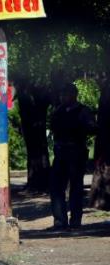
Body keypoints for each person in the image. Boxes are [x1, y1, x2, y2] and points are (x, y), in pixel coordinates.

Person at [49, 83, 97, 230]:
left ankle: (75, 220)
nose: (63, 97)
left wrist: (82, 127)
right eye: (61, 94)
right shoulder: (58, 111)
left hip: (76, 152)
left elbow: (92, 128)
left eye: (66, 94)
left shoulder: (83, 111)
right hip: (60, 152)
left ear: (74, 95)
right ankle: (60, 220)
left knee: (76, 188)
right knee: (57, 188)